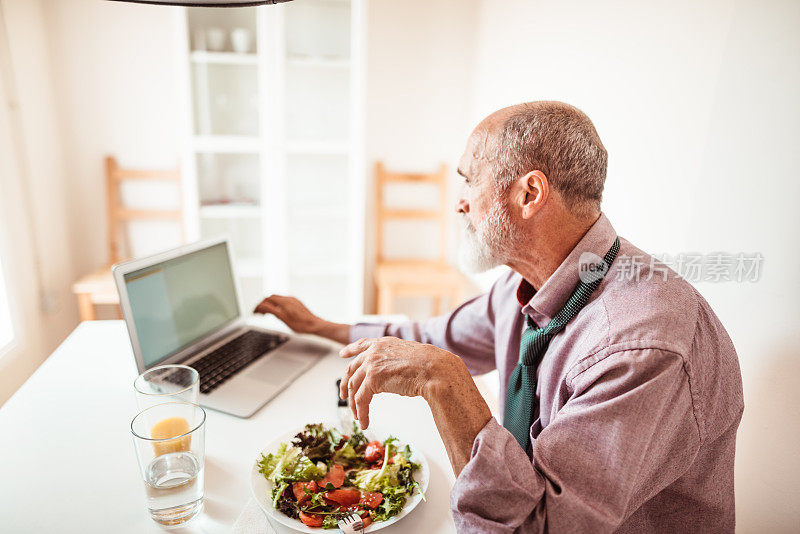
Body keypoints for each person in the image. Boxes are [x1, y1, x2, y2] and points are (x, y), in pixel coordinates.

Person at [254, 101, 744, 533]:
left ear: (529, 194)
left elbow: (537, 529)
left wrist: (442, 377)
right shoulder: (528, 280)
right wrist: (322, 327)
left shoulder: (641, 348)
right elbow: (433, 334)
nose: (459, 202)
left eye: (469, 179)